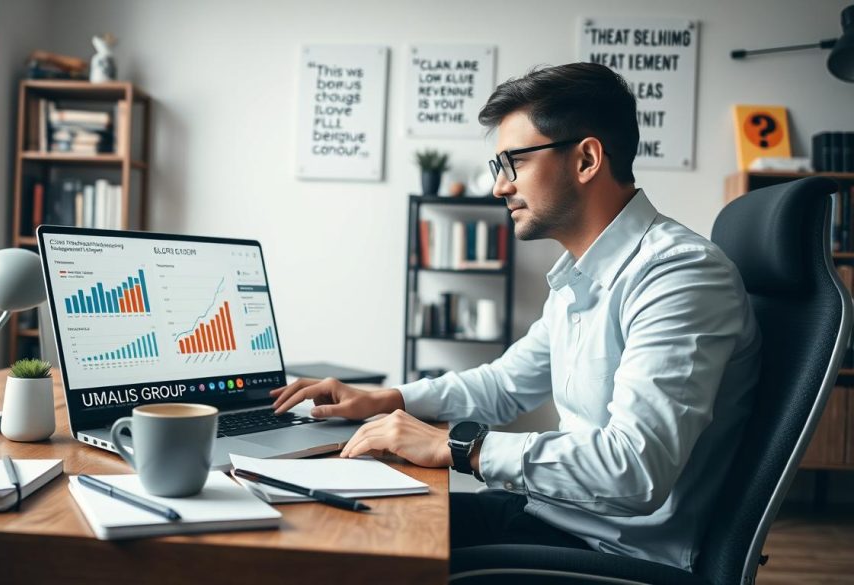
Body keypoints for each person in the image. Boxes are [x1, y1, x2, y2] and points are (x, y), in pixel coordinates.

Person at [271, 62, 760, 572]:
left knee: (367, 561)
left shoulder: (679, 276)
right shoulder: (579, 273)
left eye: (515, 162)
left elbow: (634, 469)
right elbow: (505, 385)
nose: (500, 187)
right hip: (554, 516)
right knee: (348, 532)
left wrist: (459, 447)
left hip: (615, 555)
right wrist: (389, 399)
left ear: (587, 159)